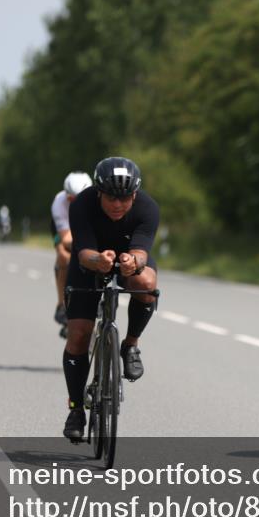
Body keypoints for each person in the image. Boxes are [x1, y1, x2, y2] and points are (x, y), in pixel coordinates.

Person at [61, 156, 160, 441]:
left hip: (129, 260)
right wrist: (98, 260)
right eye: (111, 198)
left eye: (125, 198)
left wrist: (134, 262)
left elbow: (142, 252)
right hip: (89, 262)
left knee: (146, 282)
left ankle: (130, 345)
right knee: (78, 335)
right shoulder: (82, 203)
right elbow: (82, 253)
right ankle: (76, 409)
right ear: (99, 192)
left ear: (135, 194)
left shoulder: (148, 208)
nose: (118, 204)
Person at [50, 171, 94, 326]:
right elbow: (66, 238)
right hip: (65, 233)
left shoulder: (98, 200)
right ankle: (61, 304)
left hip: (85, 232)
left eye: (79, 199)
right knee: (64, 257)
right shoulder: (59, 202)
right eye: (71, 199)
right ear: (66, 195)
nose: (75, 202)